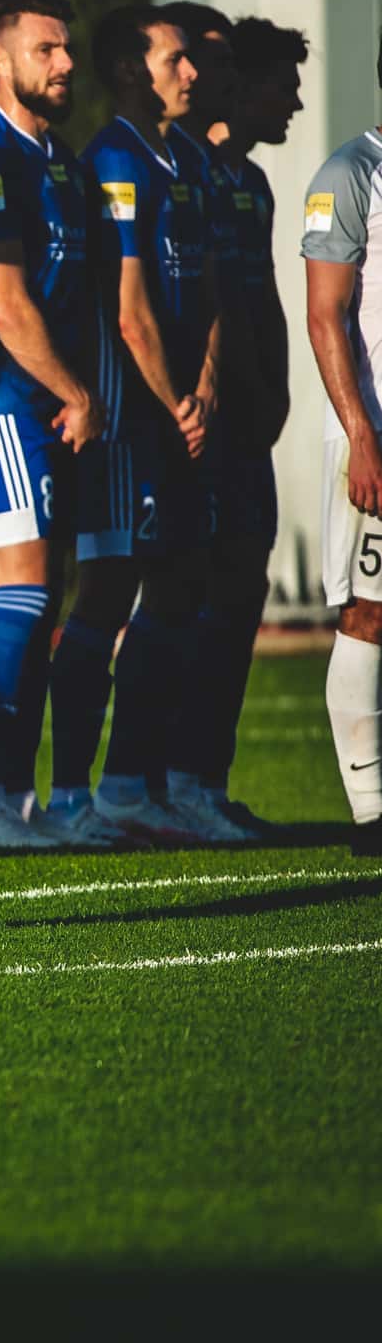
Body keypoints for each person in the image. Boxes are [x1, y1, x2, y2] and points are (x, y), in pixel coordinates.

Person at [44, 5, 228, 843]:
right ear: (129, 71)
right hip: (129, 420)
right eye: (174, 59)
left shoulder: (186, 158)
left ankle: (137, 779)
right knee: (110, 587)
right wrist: (174, 400)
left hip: (181, 413)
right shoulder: (113, 160)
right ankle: (74, 791)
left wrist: (207, 384)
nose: (191, 73)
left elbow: (209, 290)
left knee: (182, 585)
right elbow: (129, 311)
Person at [0, 0, 104, 849]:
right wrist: (76, 393)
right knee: (21, 590)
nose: (65, 63)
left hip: (50, 405)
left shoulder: (60, 163)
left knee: (45, 599)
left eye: (67, 48)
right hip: (1, 397)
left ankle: (18, 794)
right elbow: (6, 303)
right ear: (1, 61)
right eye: (46, 49)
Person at [178, 16, 304, 834]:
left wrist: (279, 387)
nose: (293, 102)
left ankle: (207, 781)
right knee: (197, 591)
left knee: (243, 588)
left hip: (250, 425)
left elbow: (263, 296)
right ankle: (171, 778)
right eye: (281, 85)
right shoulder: (189, 171)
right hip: (204, 425)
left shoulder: (250, 183)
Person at [299, 68, 382, 862]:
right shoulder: (352, 172)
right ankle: (369, 813)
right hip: (375, 436)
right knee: (370, 612)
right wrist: (361, 434)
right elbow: (325, 316)